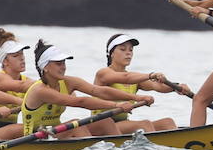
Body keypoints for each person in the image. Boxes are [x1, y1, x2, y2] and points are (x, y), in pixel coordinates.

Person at [19, 41, 150, 139]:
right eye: (58, 64)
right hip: (36, 136)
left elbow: (99, 91)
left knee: (105, 122)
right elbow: (80, 102)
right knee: (78, 124)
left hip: (55, 131)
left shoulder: (69, 82)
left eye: (64, 63)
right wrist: (117, 105)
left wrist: (136, 98)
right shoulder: (40, 90)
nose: (63, 67)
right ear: (45, 67)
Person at [92, 33, 189, 133]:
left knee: (167, 122)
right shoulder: (103, 73)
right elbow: (126, 77)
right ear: (111, 53)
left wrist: (176, 87)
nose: (128, 53)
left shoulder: (135, 80)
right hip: (100, 124)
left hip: (122, 123)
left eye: (131, 50)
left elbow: (157, 86)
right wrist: (151, 75)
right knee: (144, 124)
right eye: (122, 49)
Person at [0, 30, 34, 132]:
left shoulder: (25, 80)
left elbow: (39, 86)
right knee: (26, 128)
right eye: (16, 56)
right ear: (5, 61)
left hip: (9, 131)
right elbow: (23, 86)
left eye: (22, 54)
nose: (22, 59)